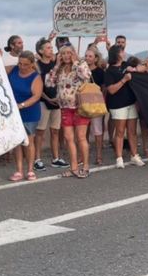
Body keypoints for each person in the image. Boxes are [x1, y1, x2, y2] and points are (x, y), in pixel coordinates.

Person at [45, 46, 91, 179]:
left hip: (80, 107)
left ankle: (86, 166)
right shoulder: (59, 69)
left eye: (68, 53)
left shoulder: (80, 64)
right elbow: (49, 83)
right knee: (68, 138)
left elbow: (86, 76)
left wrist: (76, 62)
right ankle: (74, 167)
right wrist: (57, 65)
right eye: (63, 53)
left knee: (81, 137)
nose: (66, 56)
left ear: (73, 53)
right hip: (65, 107)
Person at [105, 45, 145, 168]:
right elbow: (111, 90)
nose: (124, 53)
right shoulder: (109, 71)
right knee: (120, 131)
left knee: (132, 132)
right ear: (117, 54)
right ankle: (119, 158)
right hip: (117, 105)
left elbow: (143, 68)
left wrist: (136, 69)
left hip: (131, 103)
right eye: (122, 51)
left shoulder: (125, 65)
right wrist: (124, 80)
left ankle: (134, 155)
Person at [6, 51, 42, 181]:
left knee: (28, 141)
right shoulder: (14, 69)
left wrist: (21, 105)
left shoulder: (35, 77)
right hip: (14, 112)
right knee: (17, 141)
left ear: (32, 64)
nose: (21, 66)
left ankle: (30, 170)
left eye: (25, 64)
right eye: (20, 63)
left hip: (29, 112)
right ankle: (19, 170)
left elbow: (36, 96)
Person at [33, 37, 67, 171]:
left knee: (55, 131)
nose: (51, 49)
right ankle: (37, 159)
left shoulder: (55, 65)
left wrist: (58, 97)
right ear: (40, 51)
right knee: (40, 132)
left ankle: (56, 158)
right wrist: (48, 98)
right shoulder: (36, 66)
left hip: (56, 102)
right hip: (43, 102)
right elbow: (37, 87)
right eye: (48, 47)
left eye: (51, 47)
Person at [84, 48, 107, 165]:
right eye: (86, 56)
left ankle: (98, 155)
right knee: (84, 131)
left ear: (96, 58)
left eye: (90, 56)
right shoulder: (81, 71)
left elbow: (104, 88)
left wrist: (101, 100)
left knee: (98, 131)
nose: (87, 58)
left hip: (95, 104)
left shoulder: (100, 72)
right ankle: (84, 155)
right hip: (83, 104)